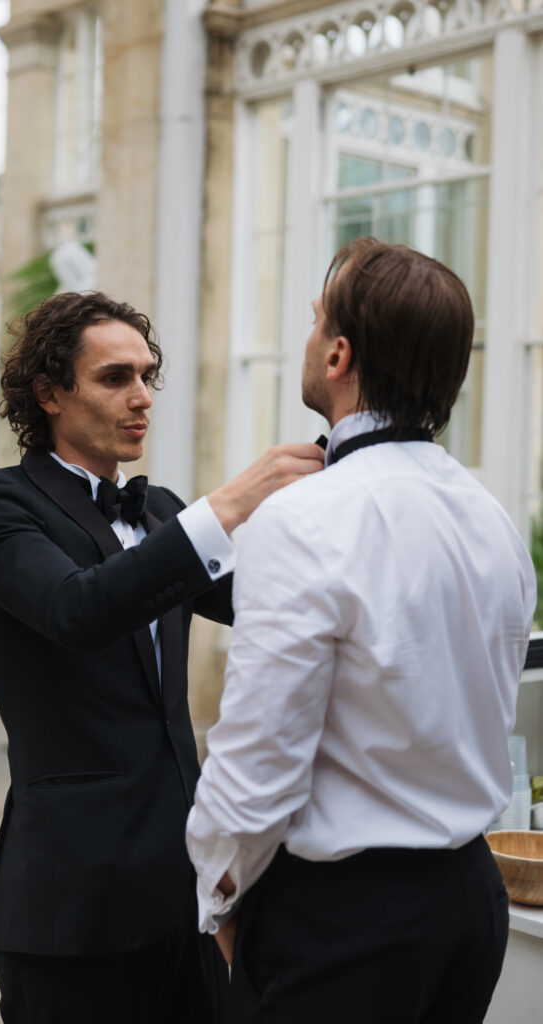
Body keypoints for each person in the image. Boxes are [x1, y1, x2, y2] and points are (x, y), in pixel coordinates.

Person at [0, 290, 323, 1024]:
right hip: (73, 898)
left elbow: (267, 607)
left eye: (147, 376)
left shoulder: (159, 513)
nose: (141, 397)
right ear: (49, 393)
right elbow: (78, 610)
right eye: (114, 378)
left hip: (187, 892)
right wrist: (228, 505)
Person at [186, 238, 537, 1024]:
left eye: (316, 322)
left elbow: (256, 758)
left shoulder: (304, 518)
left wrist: (220, 900)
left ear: (338, 354)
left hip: (346, 922)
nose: (308, 338)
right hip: (468, 906)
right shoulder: (491, 520)